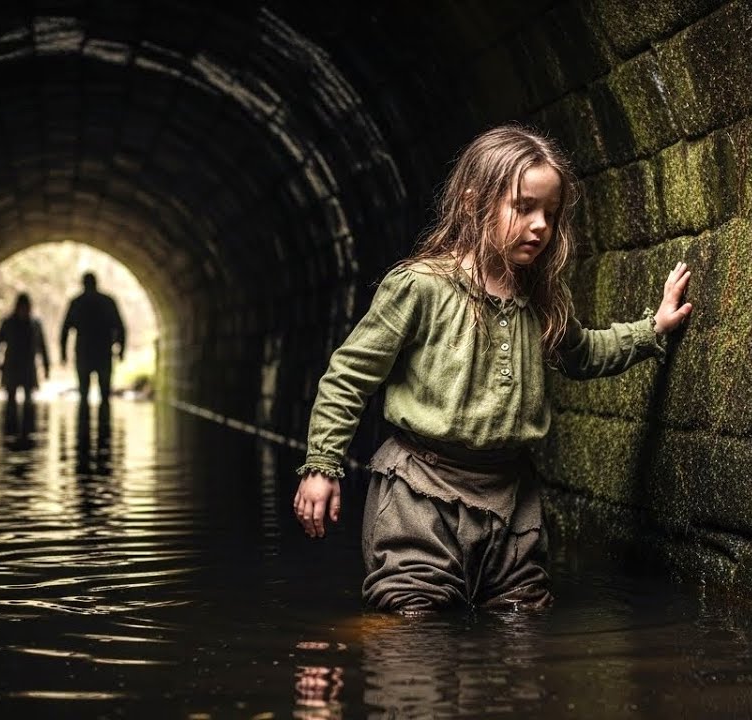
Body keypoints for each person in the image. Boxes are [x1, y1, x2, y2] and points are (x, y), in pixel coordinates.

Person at [293, 125, 693, 614]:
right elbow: (349, 377)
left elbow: (584, 354)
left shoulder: (542, 299)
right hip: (421, 493)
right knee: (414, 621)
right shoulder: (421, 287)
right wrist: (321, 466)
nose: (541, 225)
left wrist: (652, 329)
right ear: (471, 203)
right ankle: (353, 646)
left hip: (511, 499)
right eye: (523, 207)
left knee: (521, 619)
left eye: (550, 212)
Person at [60, 272, 125, 417]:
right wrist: (121, 350)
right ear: (96, 283)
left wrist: (63, 354)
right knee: (105, 394)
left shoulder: (77, 302)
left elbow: (65, 330)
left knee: (84, 394)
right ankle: (105, 431)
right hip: (104, 352)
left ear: (83, 284)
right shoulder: (108, 301)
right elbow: (120, 327)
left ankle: (83, 432)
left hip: (84, 353)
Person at [0, 292, 51, 437]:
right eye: (23, 307)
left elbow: (42, 346)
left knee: (29, 400)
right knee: (10, 399)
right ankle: (10, 431)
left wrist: (46, 366)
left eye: (27, 307)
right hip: (11, 366)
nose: (25, 310)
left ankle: (28, 431)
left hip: (28, 367)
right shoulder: (8, 323)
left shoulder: (35, 324)